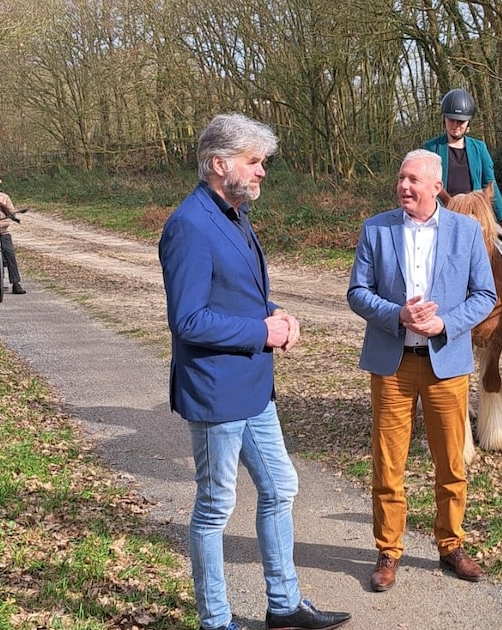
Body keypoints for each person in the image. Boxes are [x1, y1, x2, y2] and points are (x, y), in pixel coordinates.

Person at [158, 113, 351, 630]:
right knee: (216, 506)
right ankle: (215, 620)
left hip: (253, 387)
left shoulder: (235, 213)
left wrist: (274, 311)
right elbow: (189, 318)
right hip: (217, 390)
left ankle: (283, 606)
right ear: (219, 164)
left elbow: (236, 292)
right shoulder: (190, 224)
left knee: (280, 487)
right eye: (254, 161)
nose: (262, 171)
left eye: (262, 161)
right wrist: (261, 333)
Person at [347, 149, 498, 593]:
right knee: (387, 463)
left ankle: (450, 544)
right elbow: (357, 292)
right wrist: (398, 315)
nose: (404, 187)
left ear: (436, 187)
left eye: (414, 180)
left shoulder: (466, 231)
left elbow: (484, 294)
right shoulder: (375, 228)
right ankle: (388, 551)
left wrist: (444, 323)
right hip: (391, 367)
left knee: (451, 462)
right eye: (400, 178)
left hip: (445, 365)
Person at [423, 88, 502, 342]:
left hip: (479, 215)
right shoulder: (431, 149)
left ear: (468, 123)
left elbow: (492, 186)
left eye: (461, 121)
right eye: (451, 120)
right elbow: (426, 187)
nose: (456, 125)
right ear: (444, 119)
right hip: (445, 215)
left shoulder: (479, 148)